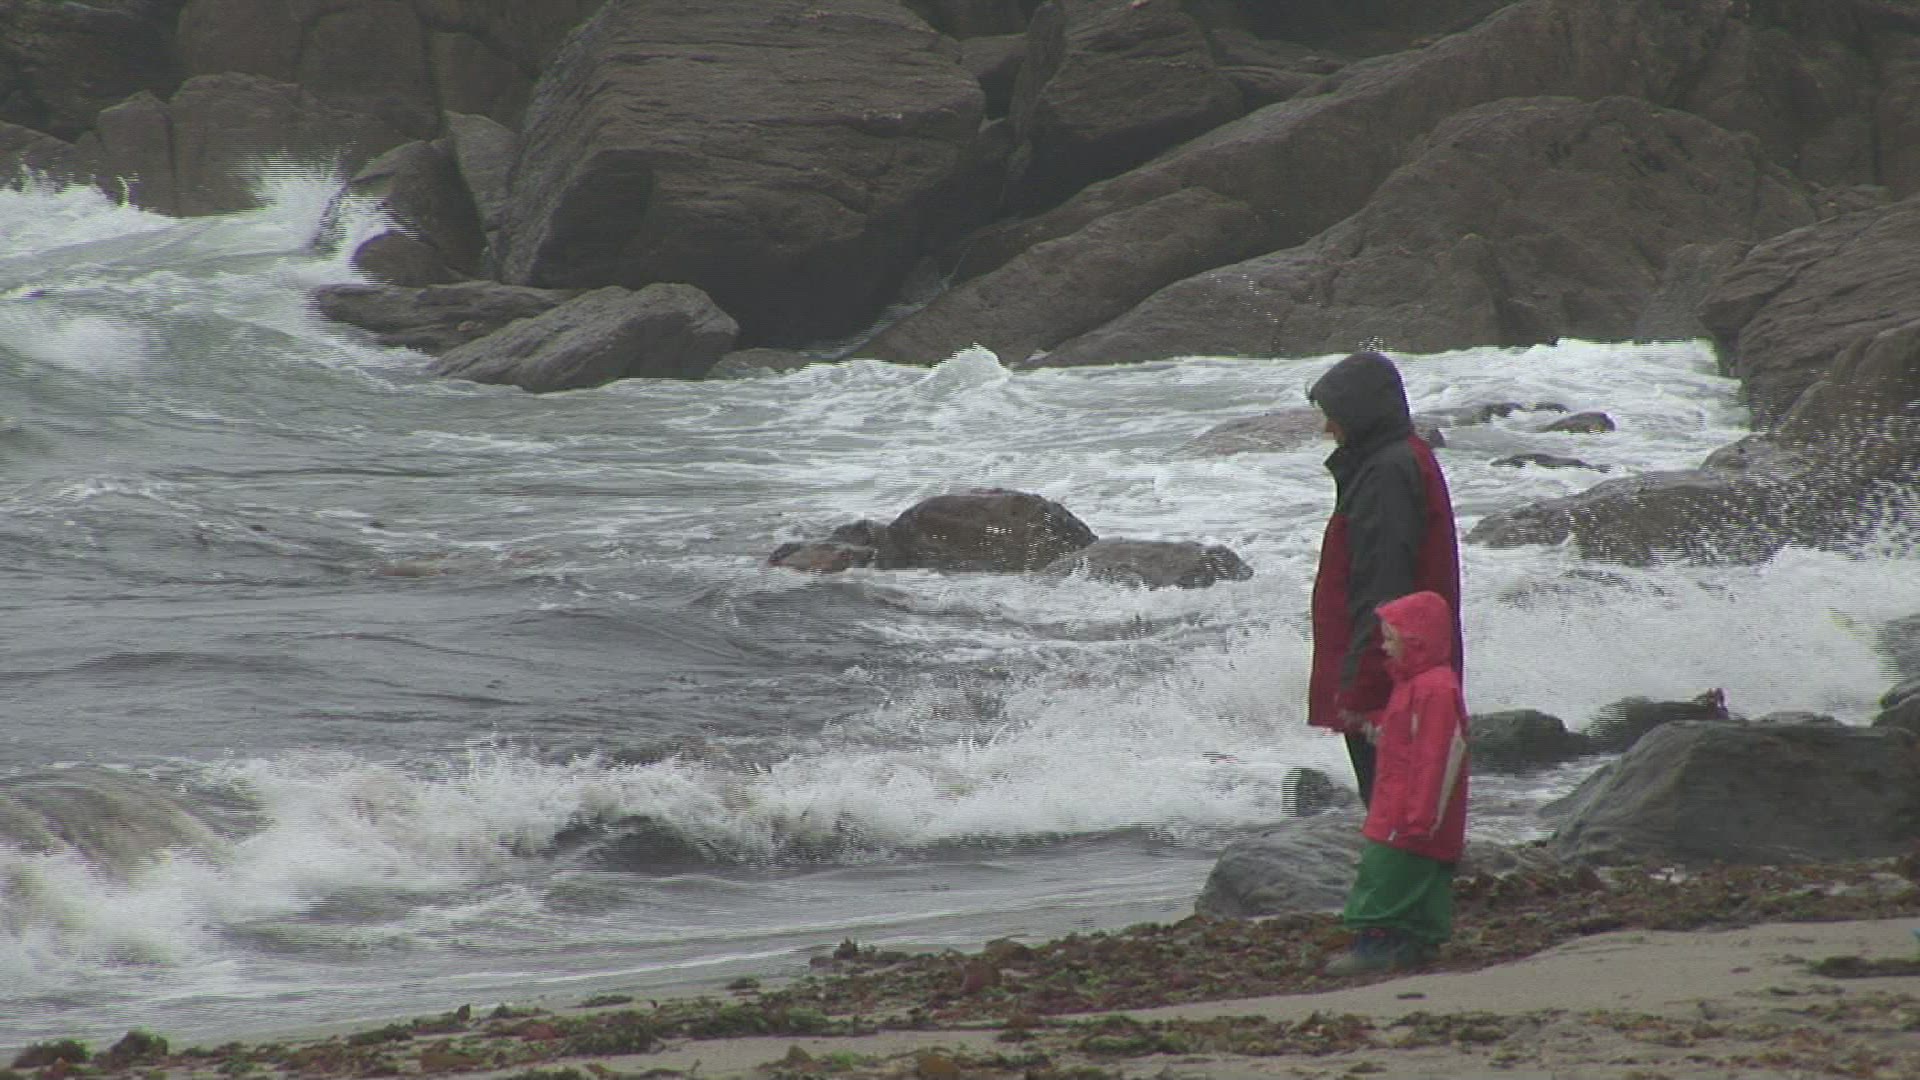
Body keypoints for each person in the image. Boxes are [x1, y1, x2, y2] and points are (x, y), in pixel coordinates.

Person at [1306, 349, 1463, 806]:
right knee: (1407, 799)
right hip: (1403, 665)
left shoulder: (1387, 471)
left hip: (1391, 674)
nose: (1328, 427)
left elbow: (1383, 585)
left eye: (1334, 414)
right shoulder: (1398, 459)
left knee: (1391, 803)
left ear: (1360, 412)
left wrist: (1362, 686)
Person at [1324, 589, 1469, 975]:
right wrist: (1370, 724)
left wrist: (1422, 815)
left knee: (1384, 874)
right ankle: (1413, 945)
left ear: (1417, 641)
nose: (1384, 647)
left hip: (1410, 811)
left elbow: (1438, 755)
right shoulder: (1413, 684)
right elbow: (1404, 736)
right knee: (1416, 875)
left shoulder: (1435, 689)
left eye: (1391, 639)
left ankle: (1376, 947)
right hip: (1399, 803)